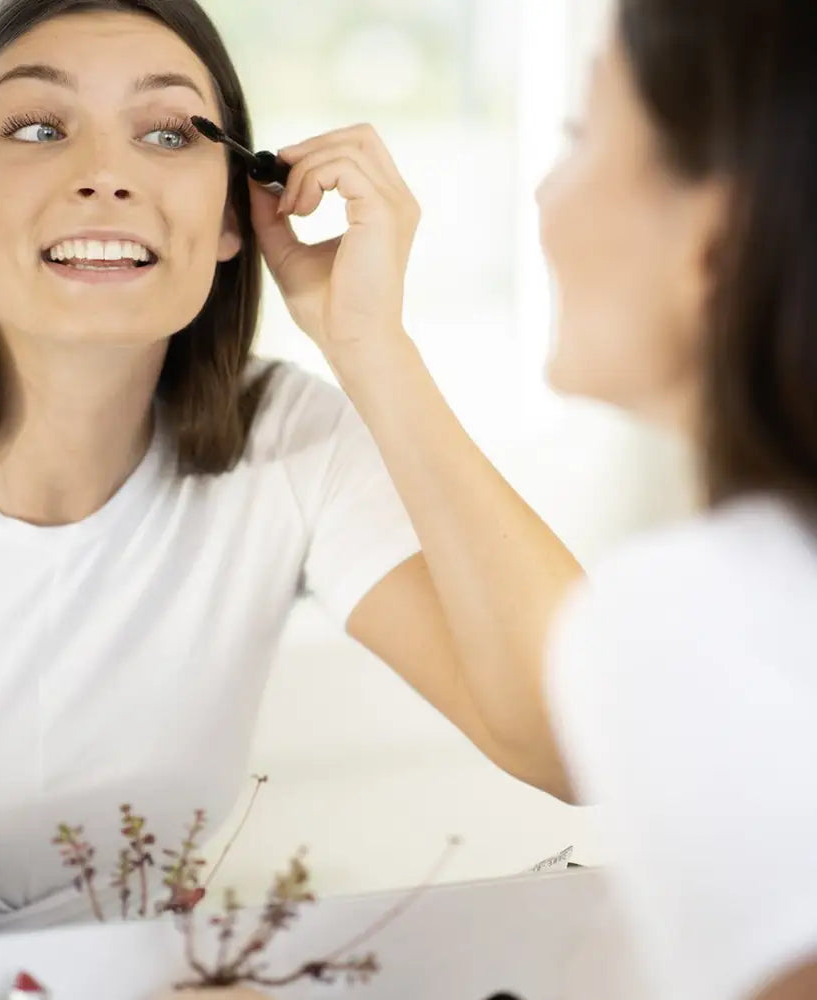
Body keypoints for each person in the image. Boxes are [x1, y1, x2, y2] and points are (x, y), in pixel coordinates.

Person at [0, 0, 580, 955]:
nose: (105, 176)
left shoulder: (288, 441)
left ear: (233, 212)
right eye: (40, 128)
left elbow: (586, 740)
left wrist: (371, 345)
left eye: (170, 133)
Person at [163, 0, 817, 998]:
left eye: (579, 137)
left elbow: (563, 731)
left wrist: (368, 344)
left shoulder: (706, 613)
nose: (544, 195)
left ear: (713, 234)